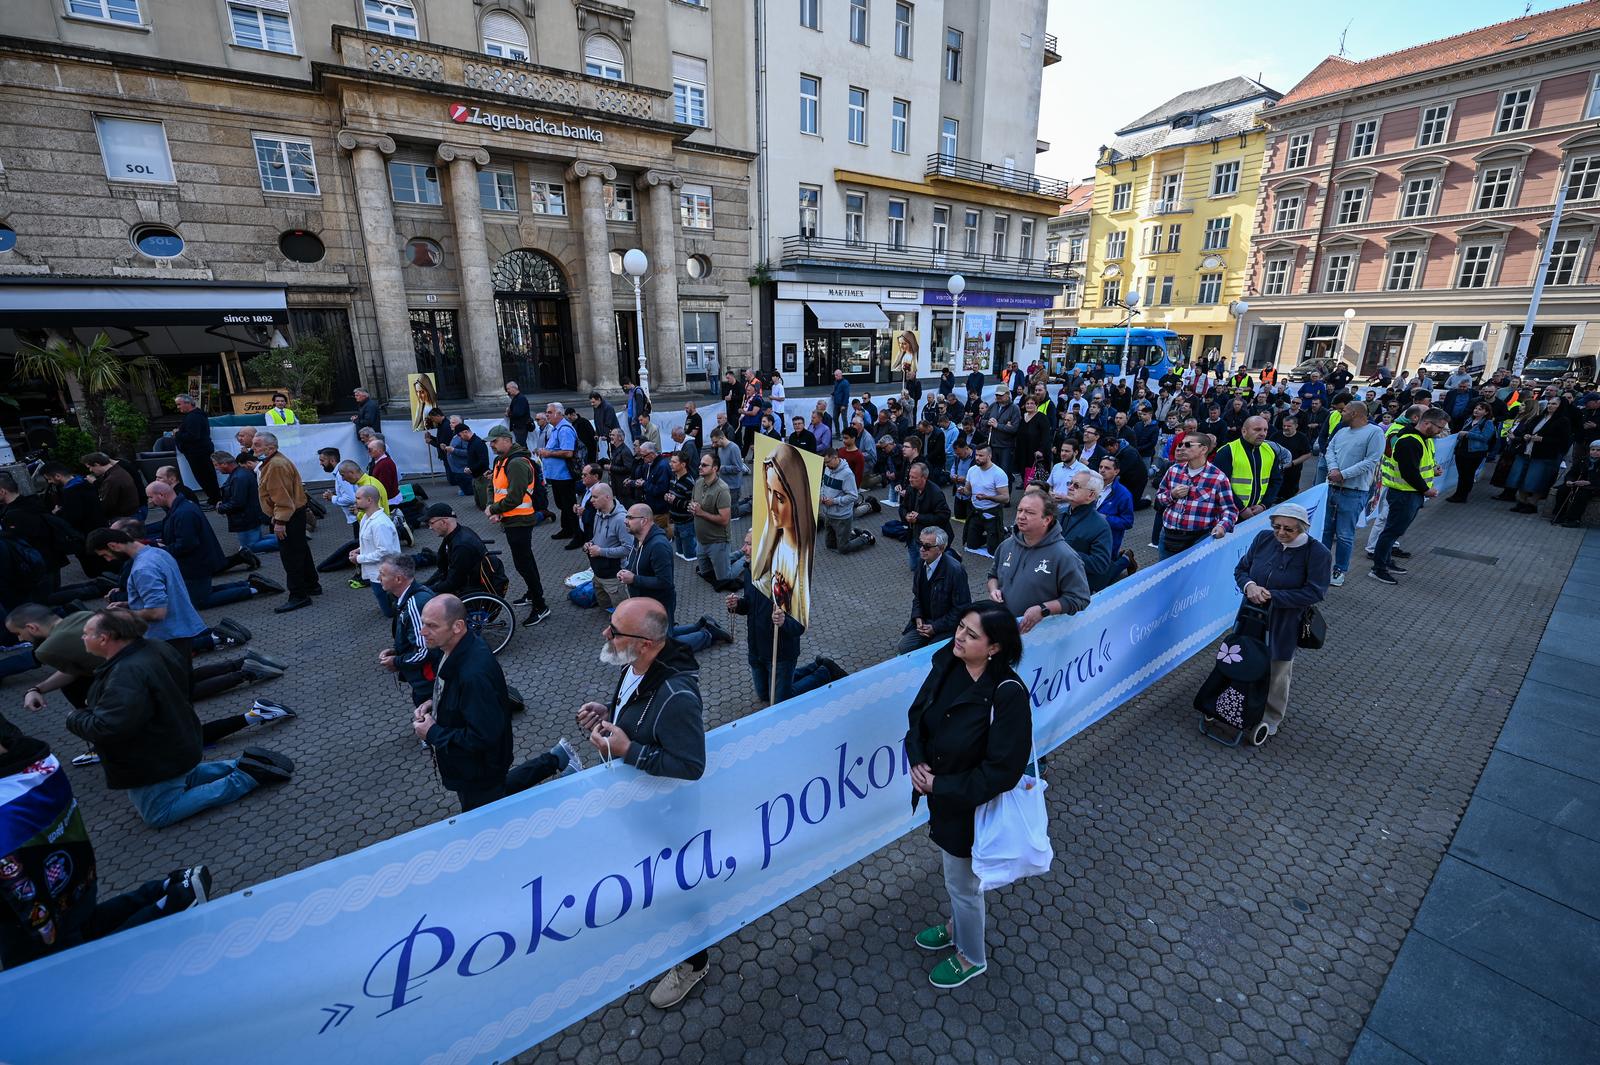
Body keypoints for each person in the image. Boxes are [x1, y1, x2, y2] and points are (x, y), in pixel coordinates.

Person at [574, 597, 709, 1008]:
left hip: (669, 817)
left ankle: (694, 960)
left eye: (615, 631)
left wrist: (628, 748)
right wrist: (608, 712)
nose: (606, 634)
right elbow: (635, 708)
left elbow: (691, 764)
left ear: (647, 643)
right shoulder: (635, 665)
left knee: (679, 887)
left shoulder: (677, 694)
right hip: (640, 808)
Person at [905, 602, 1031, 989]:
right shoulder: (948, 661)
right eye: (960, 627)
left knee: (963, 885)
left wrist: (940, 785)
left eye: (971, 634)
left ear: (994, 648)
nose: (959, 636)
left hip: (972, 807)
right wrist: (917, 759)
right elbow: (918, 717)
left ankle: (971, 956)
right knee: (957, 880)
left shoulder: (1008, 693)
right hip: (943, 797)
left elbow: (1003, 772)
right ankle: (955, 924)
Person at [70, 609, 293, 828]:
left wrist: (76, 717)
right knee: (183, 776)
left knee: (159, 813)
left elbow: (108, 727)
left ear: (104, 638)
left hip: (151, 758)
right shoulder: (155, 648)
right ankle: (244, 765)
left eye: (87, 633)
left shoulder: (125, 674)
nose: (82, 637)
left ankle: (246, 776)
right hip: (176, 740)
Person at [1233, 503, 1331, 736]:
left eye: (1289, 529)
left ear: (1303, 529)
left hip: (1285, 620)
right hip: (1251, 613)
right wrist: (1250, 586)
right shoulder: (1264, 539)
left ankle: (1271, 716)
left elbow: (1315, 592)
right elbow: (1241, 569)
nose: (1281, 533)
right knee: (1242, 657)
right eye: (1277, 526)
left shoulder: (1318, 553)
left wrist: (1272, 596)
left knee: (1278, 668)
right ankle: (1237, 701)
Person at [412, 595, 514, 812]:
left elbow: (483, 736)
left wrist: (432, 733)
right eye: (423, 623)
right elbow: (460, 696)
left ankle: (554, 760)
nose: (422, 631)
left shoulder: (473, 675)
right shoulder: (452, 648)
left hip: (479, 773)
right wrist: (437, 701)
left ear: (458, 626)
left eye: (431, 626)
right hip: (473, 769)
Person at [728, 530, 842, 704]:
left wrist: (783, 622)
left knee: (780, 701)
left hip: (780, 654)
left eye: (749, 544)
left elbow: (800, 625)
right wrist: (738, 605)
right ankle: (813, 667)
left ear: (764, 549)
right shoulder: (750, 571)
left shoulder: (787, 578)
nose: (743, 549)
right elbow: (750, 606)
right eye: (745, 543)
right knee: (765, 696)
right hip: (757, 650)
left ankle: (824, 672)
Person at [144, 481, 273, 608]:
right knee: (200, 592)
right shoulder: (182, 508)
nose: (150, 501)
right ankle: (248, 584)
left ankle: (253, 589)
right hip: (198, 562)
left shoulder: (182, 513)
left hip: (196, 564)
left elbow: (187, 544)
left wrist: (165, 549)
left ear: (161, 495)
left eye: (151, 497)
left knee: (200, 600)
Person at [986, 488, 1091, 633]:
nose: (1021, 516)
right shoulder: (1007, 545)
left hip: (1040, 637)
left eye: (1029, 512)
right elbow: (993, 576)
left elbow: (1080, 599)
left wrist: (1043, 610)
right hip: (1004, 628)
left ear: (1047, 519)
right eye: (1019, 510)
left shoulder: (1064, 556)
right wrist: (993, 590)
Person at [1370, 409, 1449, 585]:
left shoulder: (1423, 439)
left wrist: (1432, 471)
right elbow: (1409, 471)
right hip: (1404, 494)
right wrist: (1425, 489)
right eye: (1439, 427)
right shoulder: (1410, 441)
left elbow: (1418, 465)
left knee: (1394, 531)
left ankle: (1385, 562)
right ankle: (1378, 568)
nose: (1440, 432)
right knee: (1391, 531)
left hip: (1409, 493)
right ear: (1427, 423)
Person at [483, 425, 551, 625]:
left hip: (520, 520)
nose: (492, 445)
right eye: (490, 442)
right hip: (509, 518)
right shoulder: (500, 461)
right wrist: (492, 507)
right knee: (523, 561)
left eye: (494, 441)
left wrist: (494, 510)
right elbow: (493, 487)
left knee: (524, 563)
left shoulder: (517, 463)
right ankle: (532, 594)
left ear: (506, 439)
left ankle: (540, 605)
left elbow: (514, 497)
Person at [751, 442, 816, 631]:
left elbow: (799, 616)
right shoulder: (773, 543)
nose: (771, 506)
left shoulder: (801, 556)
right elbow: (764, 582)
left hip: (786, 640)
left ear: (797, 498)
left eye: (779, 498)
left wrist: (786, 621)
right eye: (769, 491)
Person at [1319, 401, 1385, 587]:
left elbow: (1371, 460)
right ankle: (1321, 567)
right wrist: (1333, 470)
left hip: (1353, 492)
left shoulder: (1375, 432)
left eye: (1344, 411)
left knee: (1345, 534)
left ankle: (1339, 570)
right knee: (1325, 532)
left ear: (1355, 413)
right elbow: (1330, 450)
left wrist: (1344, 474)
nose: (1341, 413)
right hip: (1332, 487)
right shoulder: (1341, 431)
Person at [254, 431, 320, 613]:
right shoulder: (274, 462)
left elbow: (282, 498)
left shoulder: (275, 466)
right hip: (293, 515)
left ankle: (299, 595)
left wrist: (280, 522)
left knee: (291, 556)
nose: (253, 448)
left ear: (271, 447)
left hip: (288, 517)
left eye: (257, 445)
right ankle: (312, 585)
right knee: (300, 551)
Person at [1153, 434, 1237, 559]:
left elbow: (1229, 510)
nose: (1181, 448)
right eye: (1180, 444)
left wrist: (1222, 526)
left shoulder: (1218, 478)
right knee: (1166, 576)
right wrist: (1172, 494)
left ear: (1203, 449)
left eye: (1188, 445)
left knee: (1191, 578)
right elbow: (1159, 497)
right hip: (1168, 535)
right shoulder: (1173, 470)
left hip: (1198, 539)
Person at [898, 528, 971, 654]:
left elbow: (962, 609)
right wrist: (918, 616)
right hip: (925, 623)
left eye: (927, 546)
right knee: (904, 647)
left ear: (941, 548)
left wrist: (935, 627)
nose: (921, 549)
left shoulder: (955, 571)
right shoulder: (921, 563)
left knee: (932, 653)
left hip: (946, 627)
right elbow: (917, 596)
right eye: (920, 544)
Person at [1504, 397, 1573, 514]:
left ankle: (1532, 504)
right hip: (1527, 450)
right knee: (1520, 477)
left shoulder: (1563, 421)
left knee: (1535, 480)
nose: (1550, 406)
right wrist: (1526, 435)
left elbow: (1563, 441)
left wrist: (1543, 439)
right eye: (1550, 403)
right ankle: (1521, 501)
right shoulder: (1539, 417)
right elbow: (1527, 429)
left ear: (1560, 406)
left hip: (1543, 454)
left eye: (1554, 404)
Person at [1213, 416, 1280, 522]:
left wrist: (1264, 505)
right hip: (1229, 513)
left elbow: (1276, 481)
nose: (1263, 433)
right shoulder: (1227, 451)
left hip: (1258, 512)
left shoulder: (1270, 451)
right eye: (1257, 429)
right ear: (1244, 431)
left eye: (1265, 430)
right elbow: (1219, 485)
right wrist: (1241, 509)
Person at [212, 451, 278, 559]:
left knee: (250, 547)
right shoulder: (240, 474)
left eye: (216, 465)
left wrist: (221, 508)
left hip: (245, 518)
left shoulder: (238, 477)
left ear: (224, 464)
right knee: (256, 541)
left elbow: (238, 502)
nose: (216, 469)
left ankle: (289, 540)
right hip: (249, 516)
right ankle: (289, 537)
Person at [349, 485, 401, 617]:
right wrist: (360, 549)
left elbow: (384, 551)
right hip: (376, 573)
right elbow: (372, 541)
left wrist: (359, 559)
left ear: (369, 500)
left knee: (390, 612)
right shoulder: (366, 518)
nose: (355, 501)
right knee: (386, 604)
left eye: (358, 498)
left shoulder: (379, 524)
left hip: (384, 574)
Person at [1059, 470, 1115, 592]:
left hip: (1075, 588)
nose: (1070, 487)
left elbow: (1100, 564)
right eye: (1070, 483)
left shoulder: (1100, 526)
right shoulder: (1060, 513)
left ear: (1091, 495)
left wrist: (1065, 553)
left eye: (1076, 485)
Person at [688, 452, 737, 588]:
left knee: (724, 579)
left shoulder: (722, 490)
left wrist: (701, 513)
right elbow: (694, 502)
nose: (699, 467)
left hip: (718, 542)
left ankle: (745, 560)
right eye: (700, 464)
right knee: (705, 573)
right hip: (701, 541)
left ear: (714, 468)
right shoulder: (698, 483)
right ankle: (733, 556)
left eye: (704, 465)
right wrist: (692, 507)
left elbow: (724, 520)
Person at [898, 461, 953, 571]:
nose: (910, 479)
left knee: (927, 570)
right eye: (910, 476)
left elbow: (944, 516)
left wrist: (919, 518)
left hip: (929, 539)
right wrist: (906, 516)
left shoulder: (936, 493)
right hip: (913, 536)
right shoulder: (910, 489)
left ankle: (951, 555)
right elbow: (903, 507)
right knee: (914, 567)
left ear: (924, 478)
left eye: (914, 477)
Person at [963, 445, 1010, 559]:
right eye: (976, 455)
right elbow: (968, 491)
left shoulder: (998, 473)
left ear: (989, 456)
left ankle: (1003, 534)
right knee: (971, 545)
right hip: (976, 511)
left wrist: (987, 497)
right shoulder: (972, 470)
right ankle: (994, 535)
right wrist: (962, 490)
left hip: (992, 511)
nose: (977, 458)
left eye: (981, 456)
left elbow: (1005, 498)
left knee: (993, 551)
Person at [173, 394, 221, 506]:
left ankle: (215, 499)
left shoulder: (193, 417)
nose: (178, 407)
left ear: (187, 403)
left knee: (205, 476)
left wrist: (177, 434)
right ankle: (214, 498)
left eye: (179, 404)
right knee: (207, 475)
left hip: (198, 452)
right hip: (199, 450)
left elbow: (193, 436)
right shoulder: (196, 415)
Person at [1447, 402, 1498, 504]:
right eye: (1476, 408)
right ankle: (1458, 493)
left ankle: (1463, 495)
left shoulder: (1488, 423)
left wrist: (1468, 434)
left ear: (1486, 412)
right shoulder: (1469, 420)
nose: (1476, 411)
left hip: (1475, 452)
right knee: (1462, 474)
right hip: (1462, 450)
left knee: (1468, 474)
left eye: (1480, 409)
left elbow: (1485, 437)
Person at [1550, 441, 1599, 527]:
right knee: (1563, 489)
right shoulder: (1583, 460)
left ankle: (1573, 519)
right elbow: (1572, 473)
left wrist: (1589, 482)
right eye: (1593, 449)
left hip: (1594, 487)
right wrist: (1569, 480)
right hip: (1578, 483)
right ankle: (1559, 515)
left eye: (1598, 450)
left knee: (1581, 494)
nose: (1595, 452)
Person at [818, 448, 859, 550]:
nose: (826, 465)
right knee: (830, 545)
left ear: (835, 458)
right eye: (824, 463)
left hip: (842, 516)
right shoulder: (828, 469)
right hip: (828, 514)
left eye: (827, 462)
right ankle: (850, 533)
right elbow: (824, 484)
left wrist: (834, 501)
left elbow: (853, 496)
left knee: (843, 548)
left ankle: (865, 537)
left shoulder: (847, 474)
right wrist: (821, 495)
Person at [82, 453, 141, 520]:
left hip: (123, 517)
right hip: (130, 514)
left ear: (96, 464)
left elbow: (106, 505)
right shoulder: (118, 471)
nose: (90, 470)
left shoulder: (112, 479)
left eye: (90, 467)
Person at [663, 451, 698, 561]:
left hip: (686, 523)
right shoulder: (673, 478)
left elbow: (692, 505)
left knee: (690, 556)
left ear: (683, 465)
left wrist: (675, 500)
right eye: (670, 461)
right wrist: (667, 497)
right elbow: (673, 495)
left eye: (674, 462)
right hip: (676, 522)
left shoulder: (689, 483)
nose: (670, 464)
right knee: (679, 552)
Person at [504, 381, 532, 447]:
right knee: (521, 445)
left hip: (521, 427)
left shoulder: (521, 398)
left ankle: (524, 457)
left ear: (514, 388)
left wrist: (508, 413)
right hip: (518, 427)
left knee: (521, 446)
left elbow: (519, 413)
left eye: (508, 389)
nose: (507, 391)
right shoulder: (517, 398)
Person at [831, 368, 851, 433]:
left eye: (836, 375)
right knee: (835, 418)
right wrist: (833, 394)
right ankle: (838, 433)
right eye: (835, 375)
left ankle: (846, 433)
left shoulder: (845, 383)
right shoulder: (836, 382)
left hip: (842, 404)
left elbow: (846, 394)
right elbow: (837, 390)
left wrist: (844, 405)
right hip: (836, 404)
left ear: (840, 375)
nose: (835, 376)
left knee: (844, 419)